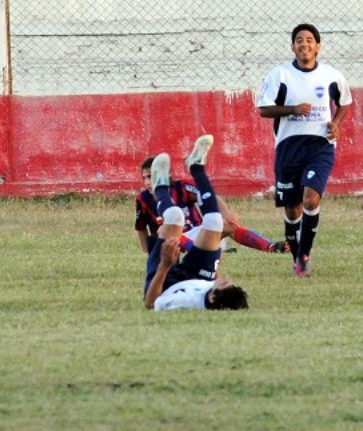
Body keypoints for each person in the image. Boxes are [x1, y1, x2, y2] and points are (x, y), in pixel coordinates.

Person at [256, 23, 352, 277]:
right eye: (299, 40)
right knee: (293, 209)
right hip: (289, 147)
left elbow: (345, 102)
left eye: (309, 40)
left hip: (320, 145)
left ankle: (304, 256)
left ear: (318, 47)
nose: (304, 44)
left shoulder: (331, 75)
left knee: (311, 199)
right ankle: (296, 257)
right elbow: (264, 109)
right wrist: (293, 109)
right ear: (293, 47)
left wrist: (336, 123)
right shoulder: (280, 75)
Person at [144, 135, 249, 311]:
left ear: (213, 297)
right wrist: (213, 258)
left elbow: (151, 303)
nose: (227, 279)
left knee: (175, 217)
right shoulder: (214, 295)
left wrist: (164, 265)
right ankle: (196, 167)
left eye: (225, 284)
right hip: (200, 276)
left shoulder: (185, 301)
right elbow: (215, 285)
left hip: (166, 281)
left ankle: (160, 187)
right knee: (215, 221)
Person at [135, 156, 287, 255]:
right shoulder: (142, 199)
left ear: (165, 175)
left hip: (198, 234)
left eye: (151, 176)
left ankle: (271, 247)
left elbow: (209, 196)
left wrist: (226, 213)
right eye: (145, 178)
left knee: (230, 225)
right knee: (165, 230)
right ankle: (202, 254)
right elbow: (140, 227)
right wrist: (147, 252)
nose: (148, 182)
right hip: (172, 243)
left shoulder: (182, 187)